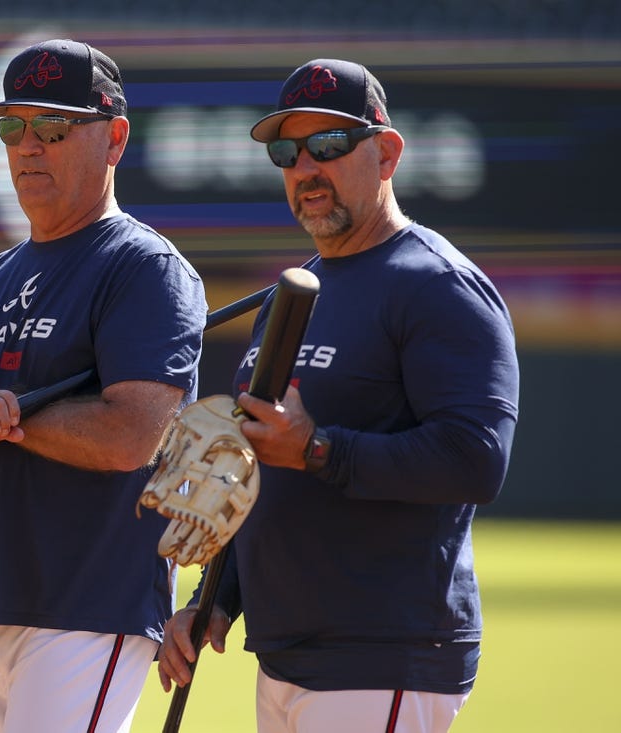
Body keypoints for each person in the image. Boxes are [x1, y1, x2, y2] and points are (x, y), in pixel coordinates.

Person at [157, 58, 520, 732]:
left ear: (387, 153)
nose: (305, 168)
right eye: (287, 152)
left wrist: (320, 448)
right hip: (288, 653)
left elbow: (477, 458)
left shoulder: (439, 286)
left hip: (384, 654)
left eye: (328, 145)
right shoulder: (292, 294)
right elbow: (268, 467)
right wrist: (218, 600)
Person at [0, 39, 207, 733]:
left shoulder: (143, 267)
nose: (28, 146)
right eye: (13, 126)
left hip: (87, 604)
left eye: (54, 128)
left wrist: (0, 420)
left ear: (114, 138)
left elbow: (134, 434)